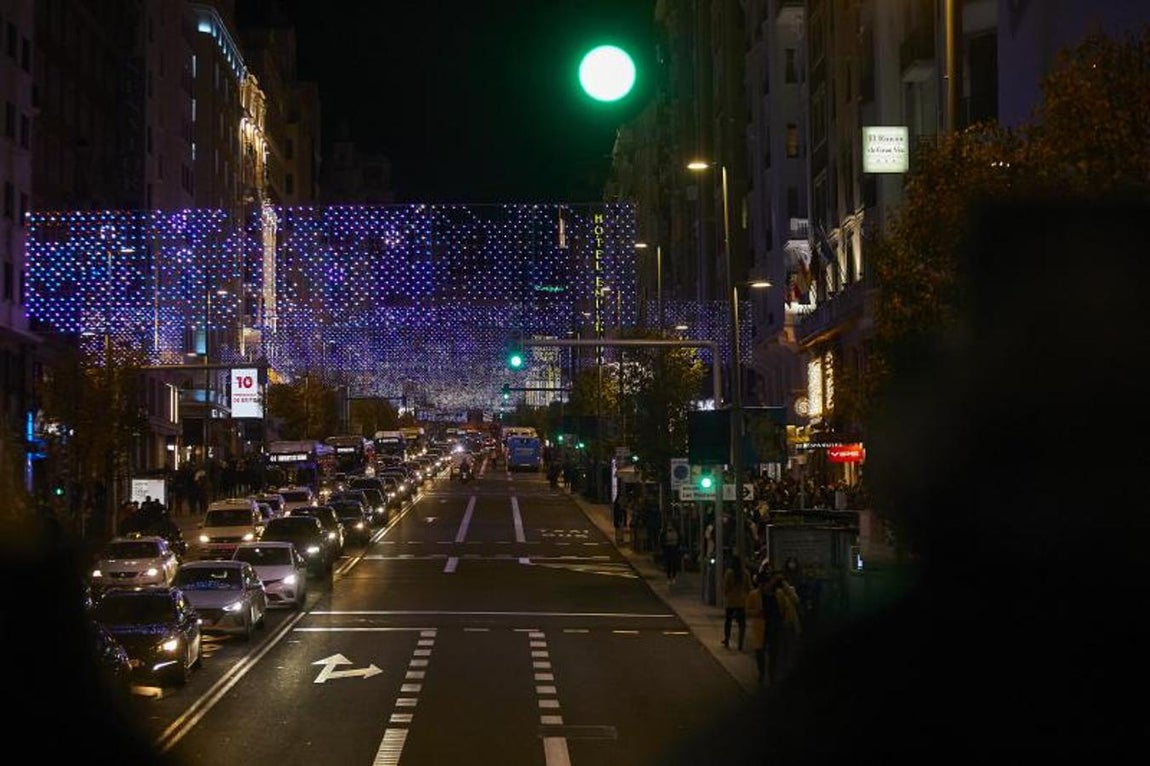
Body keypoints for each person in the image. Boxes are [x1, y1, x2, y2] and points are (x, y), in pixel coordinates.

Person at [721, 554, 750, 650]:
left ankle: (727, 639)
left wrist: (725, 595)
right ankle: (740, 642)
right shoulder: (745, 573)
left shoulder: (729, 573)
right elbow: (748, 587)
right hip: (741, 601)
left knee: (728, 621)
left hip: (731, 600)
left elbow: (726, 586)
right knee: (742, 624)